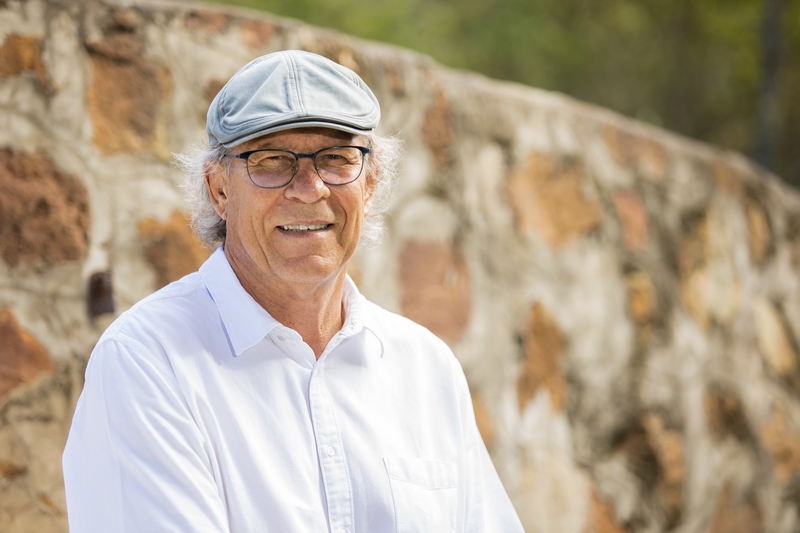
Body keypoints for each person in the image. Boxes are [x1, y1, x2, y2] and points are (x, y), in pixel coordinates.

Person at [63, 50, 523, 532]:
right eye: (272, 161)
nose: (309, 188)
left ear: (369, 186)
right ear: (219, 189)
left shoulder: (427, 369)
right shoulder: (147, 362)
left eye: (336, 159)